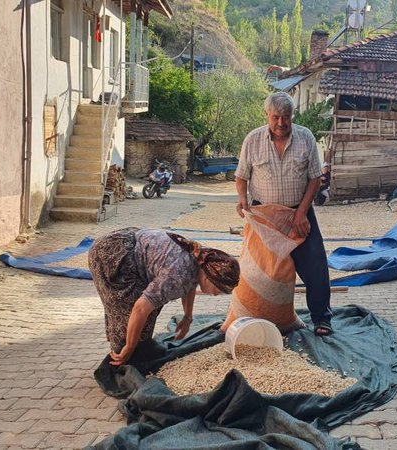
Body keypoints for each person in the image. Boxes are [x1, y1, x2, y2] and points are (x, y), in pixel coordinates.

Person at [234, 92, 334, 336]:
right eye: (276, 117)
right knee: (258, 271)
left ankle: (321, 318)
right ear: (267, 115)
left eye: (286, 117)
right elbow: (241, 175)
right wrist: (242, 201)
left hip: (298, 213)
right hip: (265, 216)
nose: (281, 123)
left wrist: (301, 214)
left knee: (315, 267)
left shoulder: (305, 138)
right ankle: (256, 318)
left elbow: (314, 178)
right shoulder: (253, 139)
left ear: (292, 116)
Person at [88, 228, 240, 366]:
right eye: (218, 289)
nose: (215, 294)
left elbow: (190, 285)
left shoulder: (201, 259)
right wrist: (130, 345)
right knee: (127, 309)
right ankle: (120, 359)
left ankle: (139, 349)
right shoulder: (177, 276)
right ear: (208, 276)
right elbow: (140, 308)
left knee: (152, 307)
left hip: (130, 244)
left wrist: (188, 317)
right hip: (112, 254)